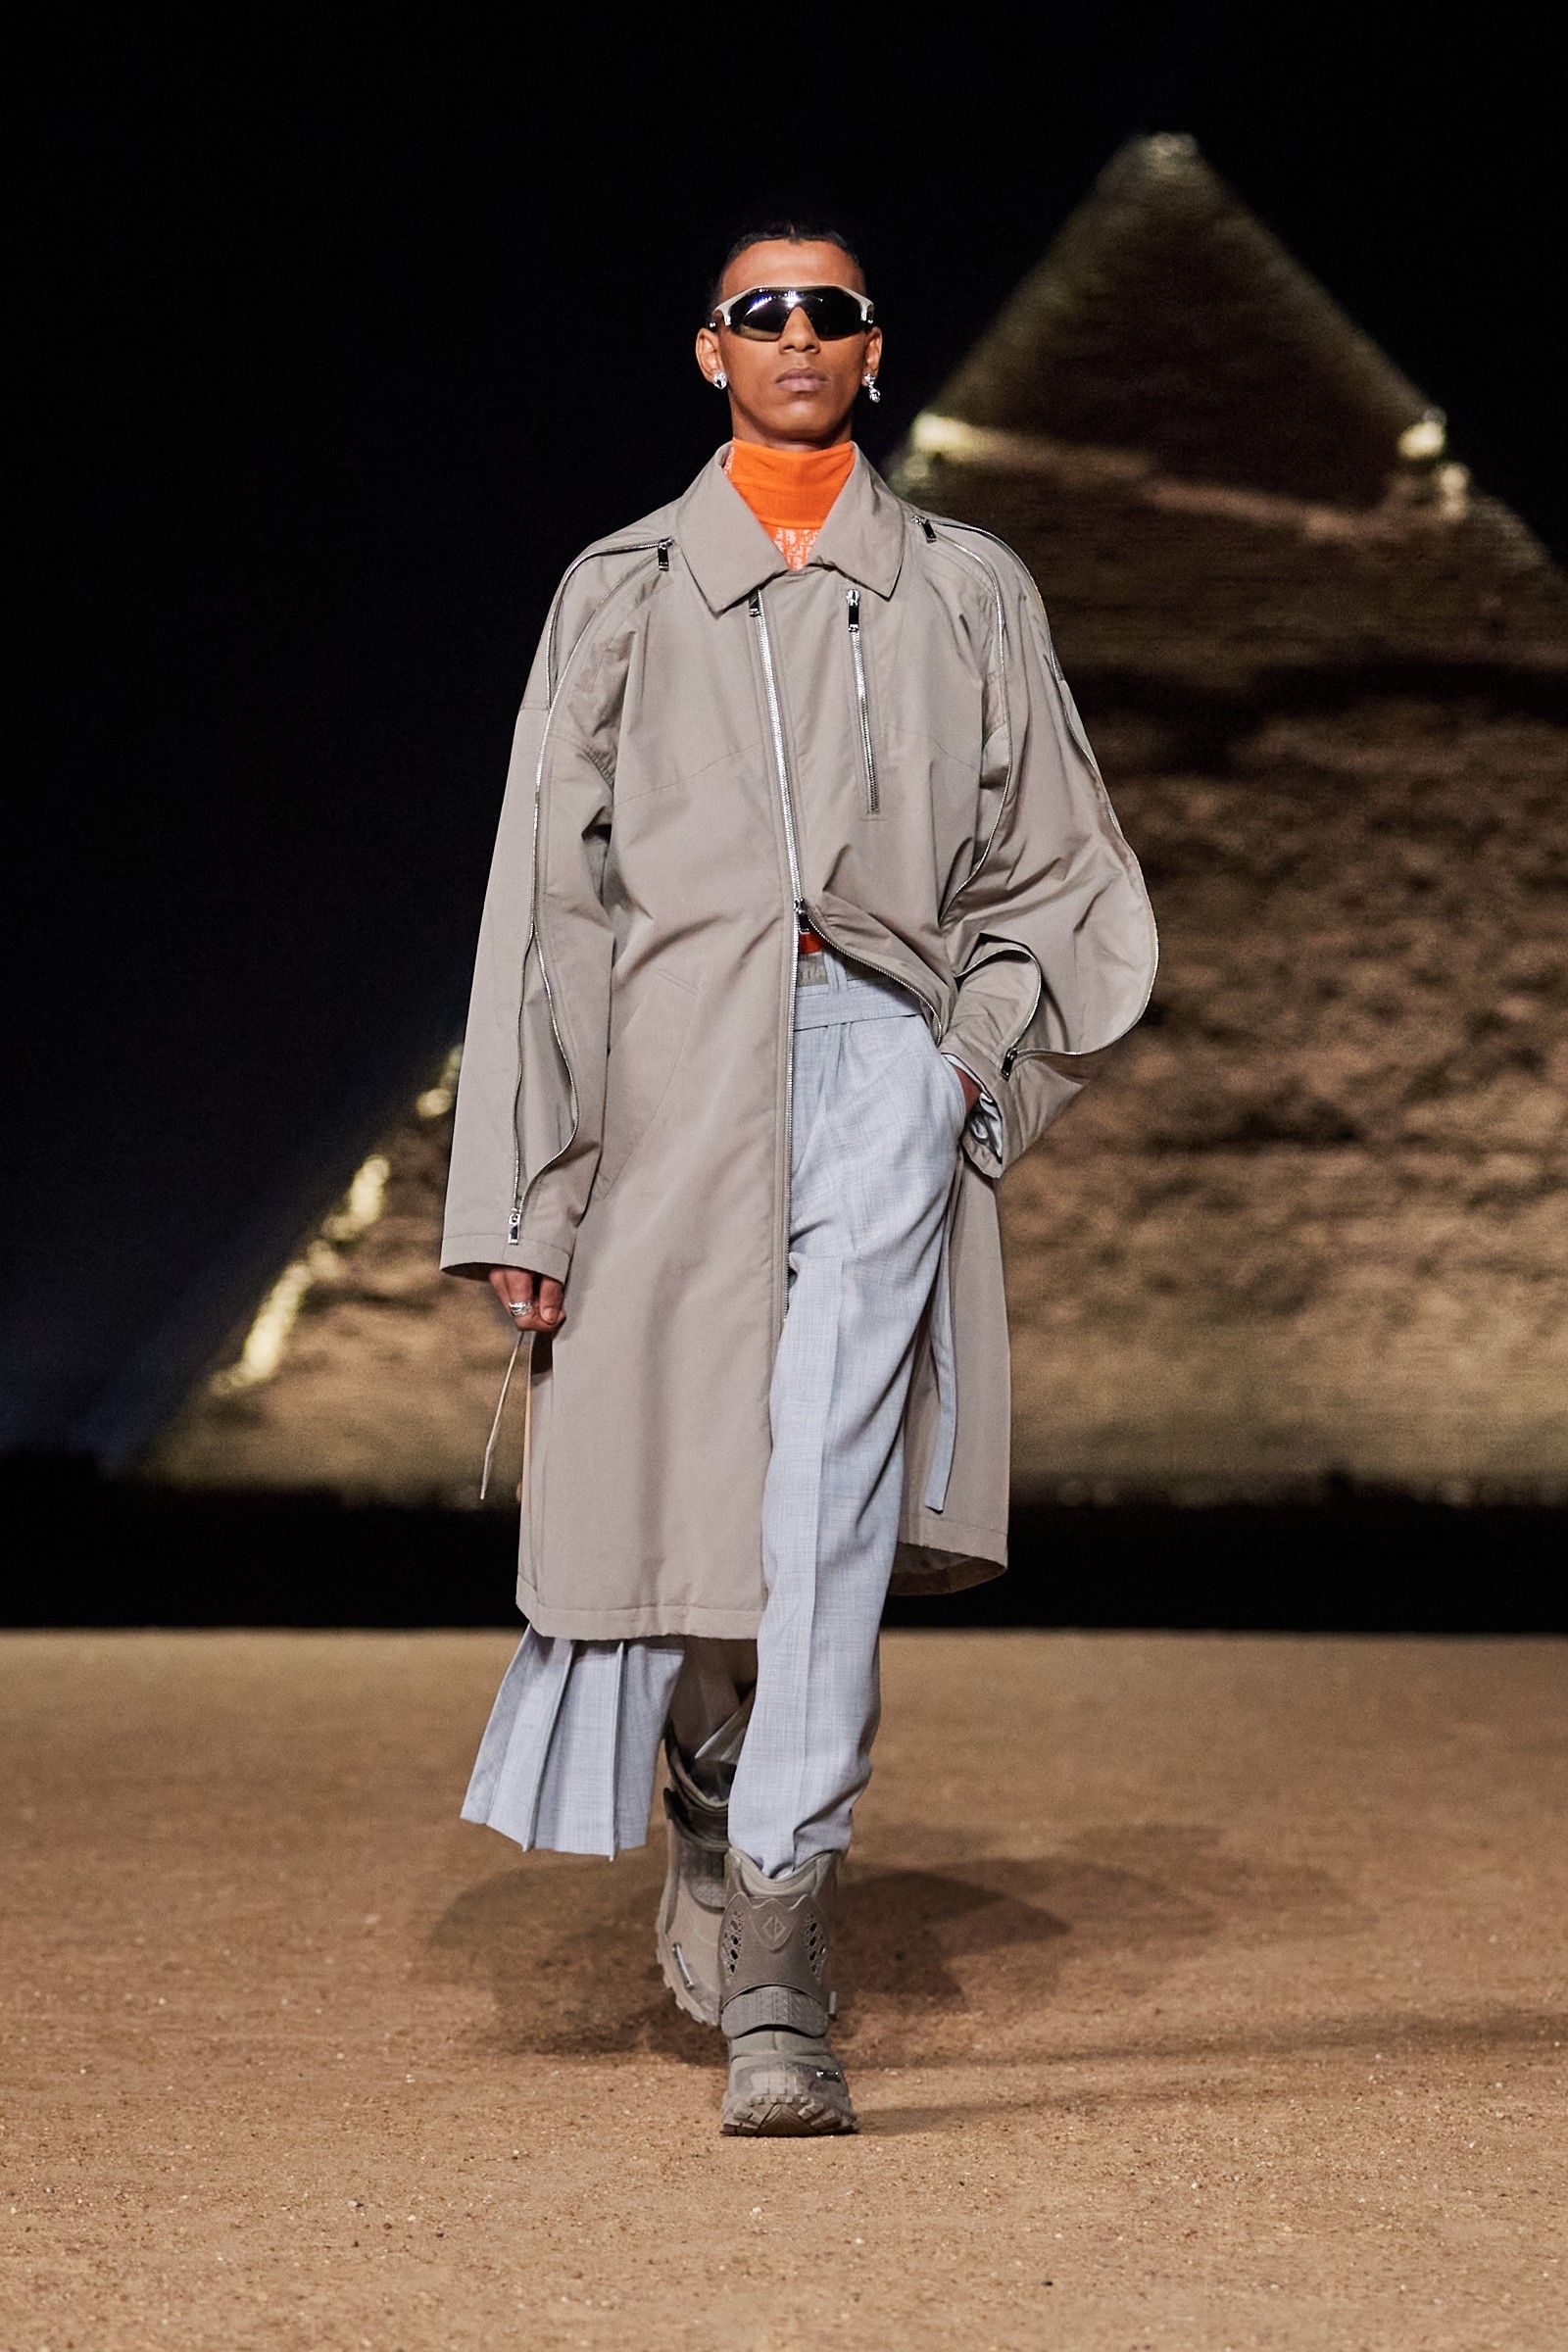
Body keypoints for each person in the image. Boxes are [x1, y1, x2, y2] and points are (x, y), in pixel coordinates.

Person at [441, 222, 1157, 2135]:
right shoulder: (617, 592)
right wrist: (525, 1192)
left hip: (879, 1069)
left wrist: (962, 1060)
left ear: (870, 348)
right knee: (692, 1493)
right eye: (758, 310)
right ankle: (712, 1778)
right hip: (667, 1089)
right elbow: (546, 911)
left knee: (826, 1497)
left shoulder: (965, 587)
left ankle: (780, 1936)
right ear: (709, 351)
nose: (793, 333)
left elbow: (1063, 868)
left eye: (826, 309)